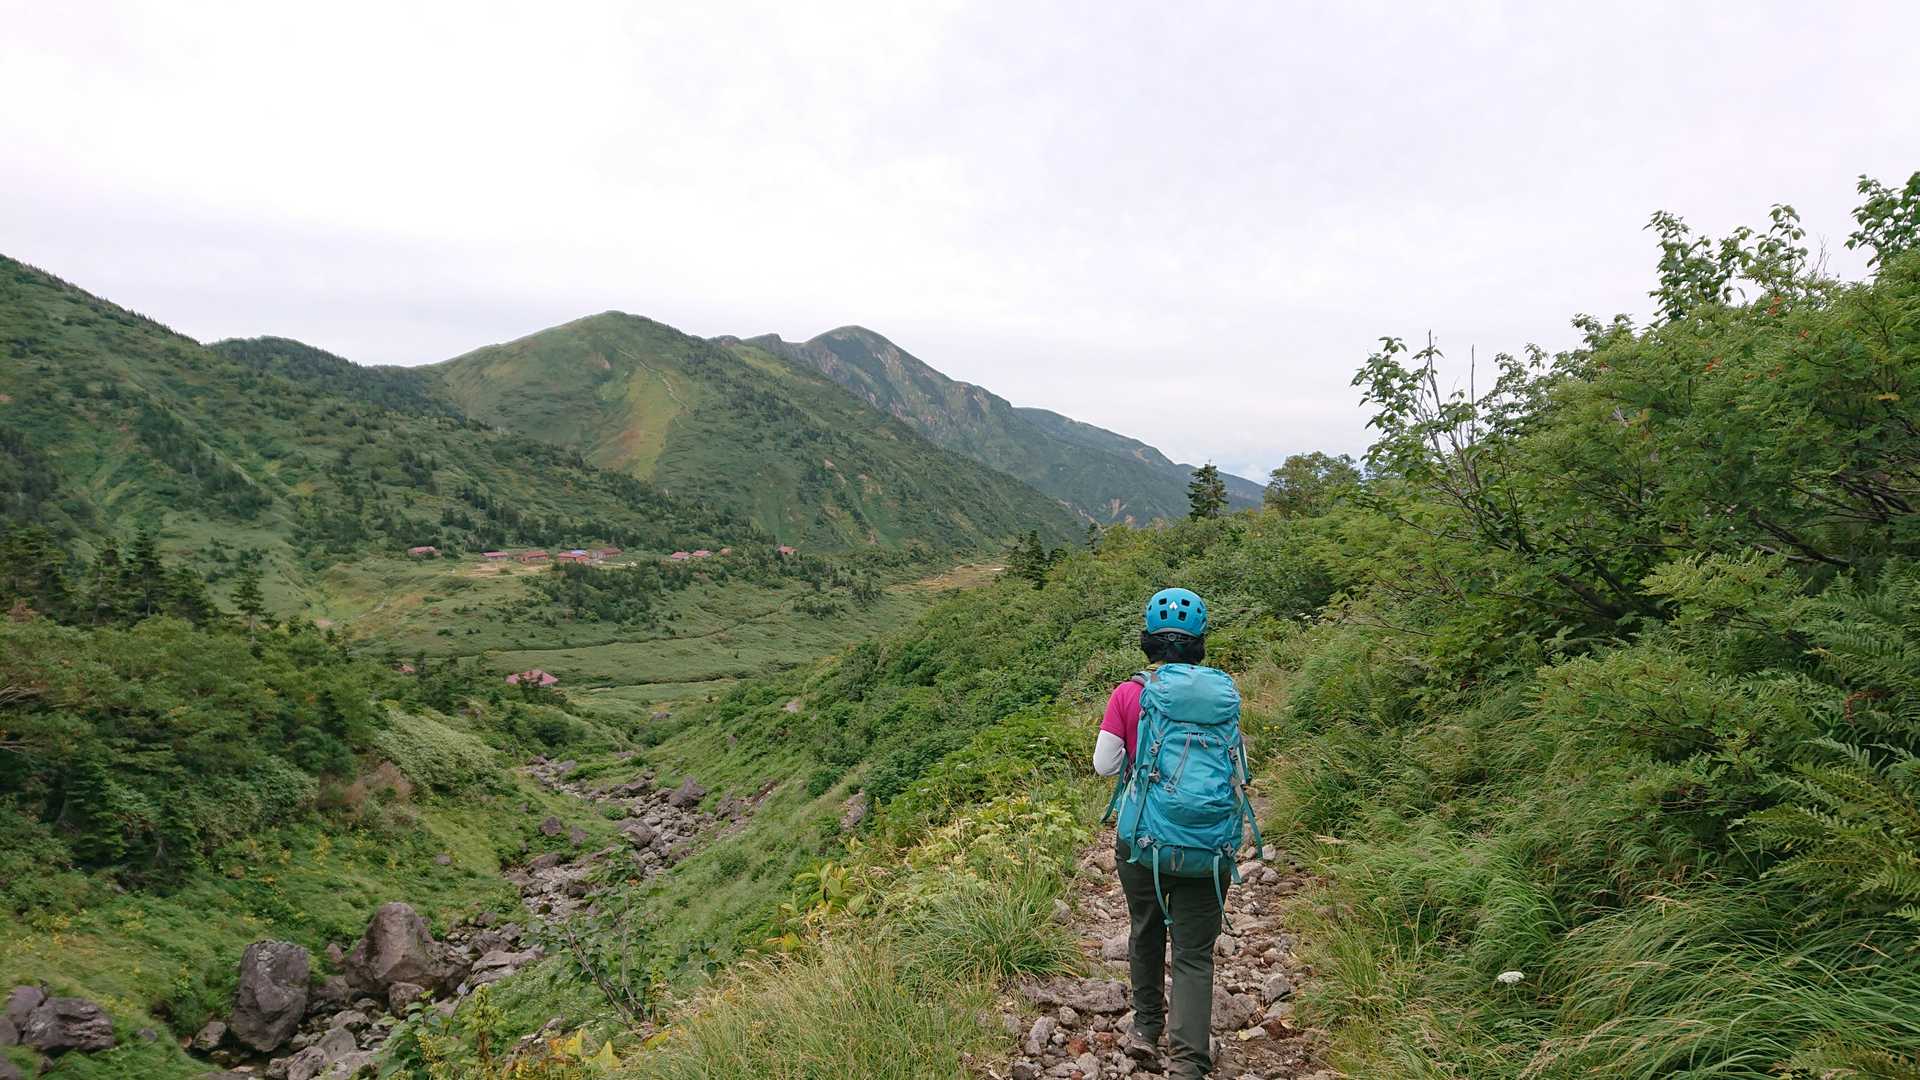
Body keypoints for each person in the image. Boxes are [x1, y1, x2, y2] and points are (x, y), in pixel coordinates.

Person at [1094, 587, 1249, 1080]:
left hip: (1143, 840)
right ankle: (1188, 1064)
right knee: (1194, 955)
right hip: (1209, 843)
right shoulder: (1221, 696)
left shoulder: (1129, 693)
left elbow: (1104, 765)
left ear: (1149, 640)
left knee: (1145, 929)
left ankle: (1145, 1028)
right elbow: (1238, 767)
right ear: (1199, 642)